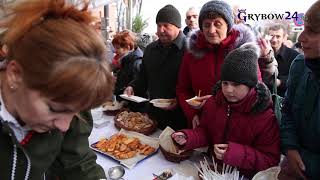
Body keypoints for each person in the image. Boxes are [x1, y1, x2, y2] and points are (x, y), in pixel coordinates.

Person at [0, 0, 114, 179]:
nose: (64, 126)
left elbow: (78, 162)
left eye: (75, 113)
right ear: (15, 75)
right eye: (55, 109)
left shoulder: (69, 98)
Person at [172, 43, 280, 179]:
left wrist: (235, 154)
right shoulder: (213, 103)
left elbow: (270, 160)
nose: (229, 90)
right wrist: (188, 137)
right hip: (215, 171)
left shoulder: (265, 117)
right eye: (225, 83)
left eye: (236, 84)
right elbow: (206, 132)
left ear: (250, 84)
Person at [176, 0, 276, 128]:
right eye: (206, 25)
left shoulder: (244, 51)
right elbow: (183, 89)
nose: (212, 30)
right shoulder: (192, 53)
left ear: (228, 25)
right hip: (202, 123)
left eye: (217, 24)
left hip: (234, 125)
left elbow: (255, 93)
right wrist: (192, 114)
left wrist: (215, 102)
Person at [124, 4, 187, 130]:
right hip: (154, 115)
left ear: (177, 27)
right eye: (159, 25)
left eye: (166, 26)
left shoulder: (189, 50)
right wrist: (133, 86)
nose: (161, 30)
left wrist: (179, 101)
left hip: (181, 119)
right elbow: (143, 76)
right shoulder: (150, 49)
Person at [280, 1, 320, 179]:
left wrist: (305, 167)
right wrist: (290, 148)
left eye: (312, 31)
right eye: (303, 28)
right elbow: (287, 111)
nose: (301, 38)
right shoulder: (299, 65)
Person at [266, 23, 300, 97]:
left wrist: (280, 82)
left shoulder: (294, 56)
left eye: (278, 36)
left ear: (284, 38)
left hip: (284, 99)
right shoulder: (260, 54)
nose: (274, 40)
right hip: (264, 98)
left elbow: (298, 78)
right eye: (271, 36)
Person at [112, 30, 143, 97]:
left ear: (128, 47)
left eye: (118, 48)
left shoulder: (136, 62)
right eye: (114, 47)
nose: (115, 51)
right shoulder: (126, 59)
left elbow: (137, 85)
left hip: (130, 102)